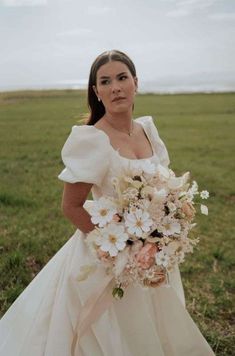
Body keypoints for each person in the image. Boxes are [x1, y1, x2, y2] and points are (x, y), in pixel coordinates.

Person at [0, 49, 215, 356]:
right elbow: (71, 207)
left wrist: (165, 232)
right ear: (96, 91)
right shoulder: (93, 139)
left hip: (152, 254)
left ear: (136, 83)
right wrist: (123, 248)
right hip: (109, 255)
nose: (115, 86)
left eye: (122, 78)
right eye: (105, 81)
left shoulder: (147, 131)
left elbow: (164, 188)